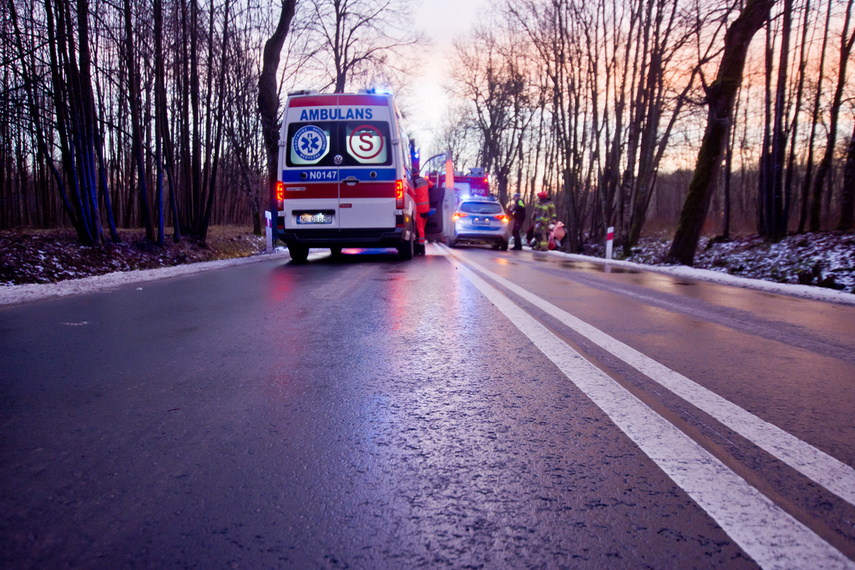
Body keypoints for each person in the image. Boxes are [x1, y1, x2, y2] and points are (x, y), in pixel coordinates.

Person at [412, 172, 432, 255]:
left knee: (420, 230)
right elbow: (431, 185)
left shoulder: (413, 182)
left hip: (418, 209)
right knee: (422, 228)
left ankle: (421, 247)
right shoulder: (424, 180)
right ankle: (419, 246)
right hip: (426, 209)